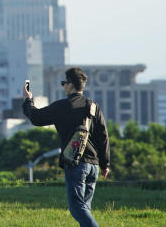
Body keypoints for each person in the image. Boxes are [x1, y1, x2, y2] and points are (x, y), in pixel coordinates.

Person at [23, 67, 110, 227]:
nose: (63, 86)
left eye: (64, 83)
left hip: (76, 164)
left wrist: (28, 100)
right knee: (85, 208)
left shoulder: (63, 106)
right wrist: (105, 164)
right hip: (94, 165)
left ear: (70, 85)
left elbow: (36, 118)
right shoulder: (93, 107)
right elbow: (103, 136)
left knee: (77, 209)